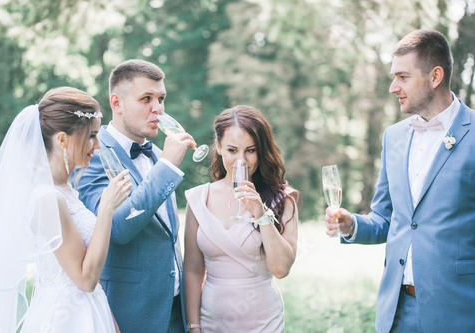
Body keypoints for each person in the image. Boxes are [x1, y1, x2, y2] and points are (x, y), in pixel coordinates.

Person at [325, 29, 475, 332]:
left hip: (460, 313)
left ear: (435, 76)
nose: (393, 87)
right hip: (397, 312)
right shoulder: (392, 137)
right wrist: (350, 224)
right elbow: (386, 218)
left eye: (403, 77)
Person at [0, 86, 130, 332]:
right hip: (65, 319)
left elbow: (91, 273)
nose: (97, 146)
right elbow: (85, 279)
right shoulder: (48, 198)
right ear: (62, 139)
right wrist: (107, 210)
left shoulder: (66, 191)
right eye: (91, 136)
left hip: (91, 311)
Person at [74, 59, 195, 333]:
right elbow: (117, 227)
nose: (159, 108)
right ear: (116, 103)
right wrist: (167, 167)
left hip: (176, 312)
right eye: (146, 99)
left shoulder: (156, 152)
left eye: (162, 98)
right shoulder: (93, 154)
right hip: (131, 315)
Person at [184, 105, 299, 332]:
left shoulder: (283, 199)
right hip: (211, 322)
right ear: (218, 148)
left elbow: (281, 269)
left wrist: (260, 212)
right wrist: (194, 324)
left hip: (262, 321)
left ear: (261, 150)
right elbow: (193, 269)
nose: (241, 161)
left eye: (250, 150)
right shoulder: (198, 199)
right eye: (232, 150)